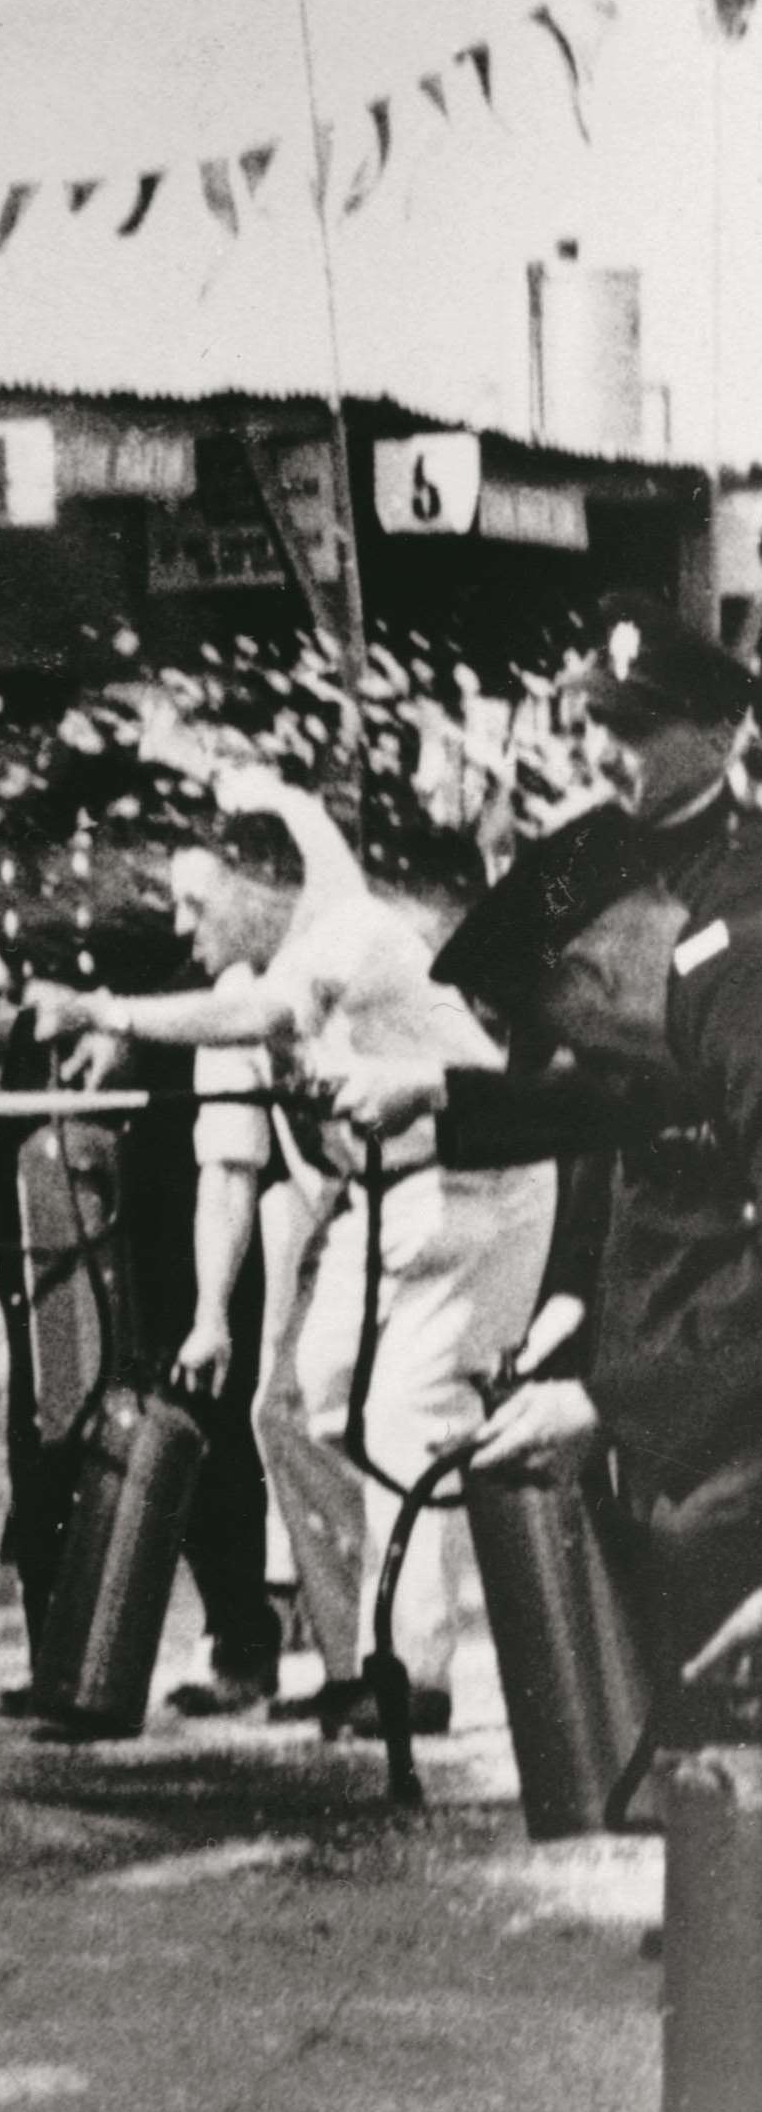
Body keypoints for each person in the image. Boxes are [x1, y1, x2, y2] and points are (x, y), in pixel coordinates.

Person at [31, 767, 535, 1731]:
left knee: (400, 1417)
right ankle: (352, 1660)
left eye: (197, 902)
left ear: (264, 885)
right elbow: (228, 1157)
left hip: (480, 1192)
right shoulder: (239, 986)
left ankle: (412, 1677)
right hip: (376, 1203)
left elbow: (263, 1018)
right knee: (290, 1409)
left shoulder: (350, 933)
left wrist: (107, 1011)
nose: (184, 927)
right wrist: (211, 1314)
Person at [433, 608, 762, 1714]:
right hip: (634, 1282)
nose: (601, 747)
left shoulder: (744, 898)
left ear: (721, 734)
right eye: (592, 719)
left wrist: (622, 1393)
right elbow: (577, 1109)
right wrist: (571, 1298)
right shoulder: (579, 863)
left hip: (720, 1298)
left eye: (635, 724)